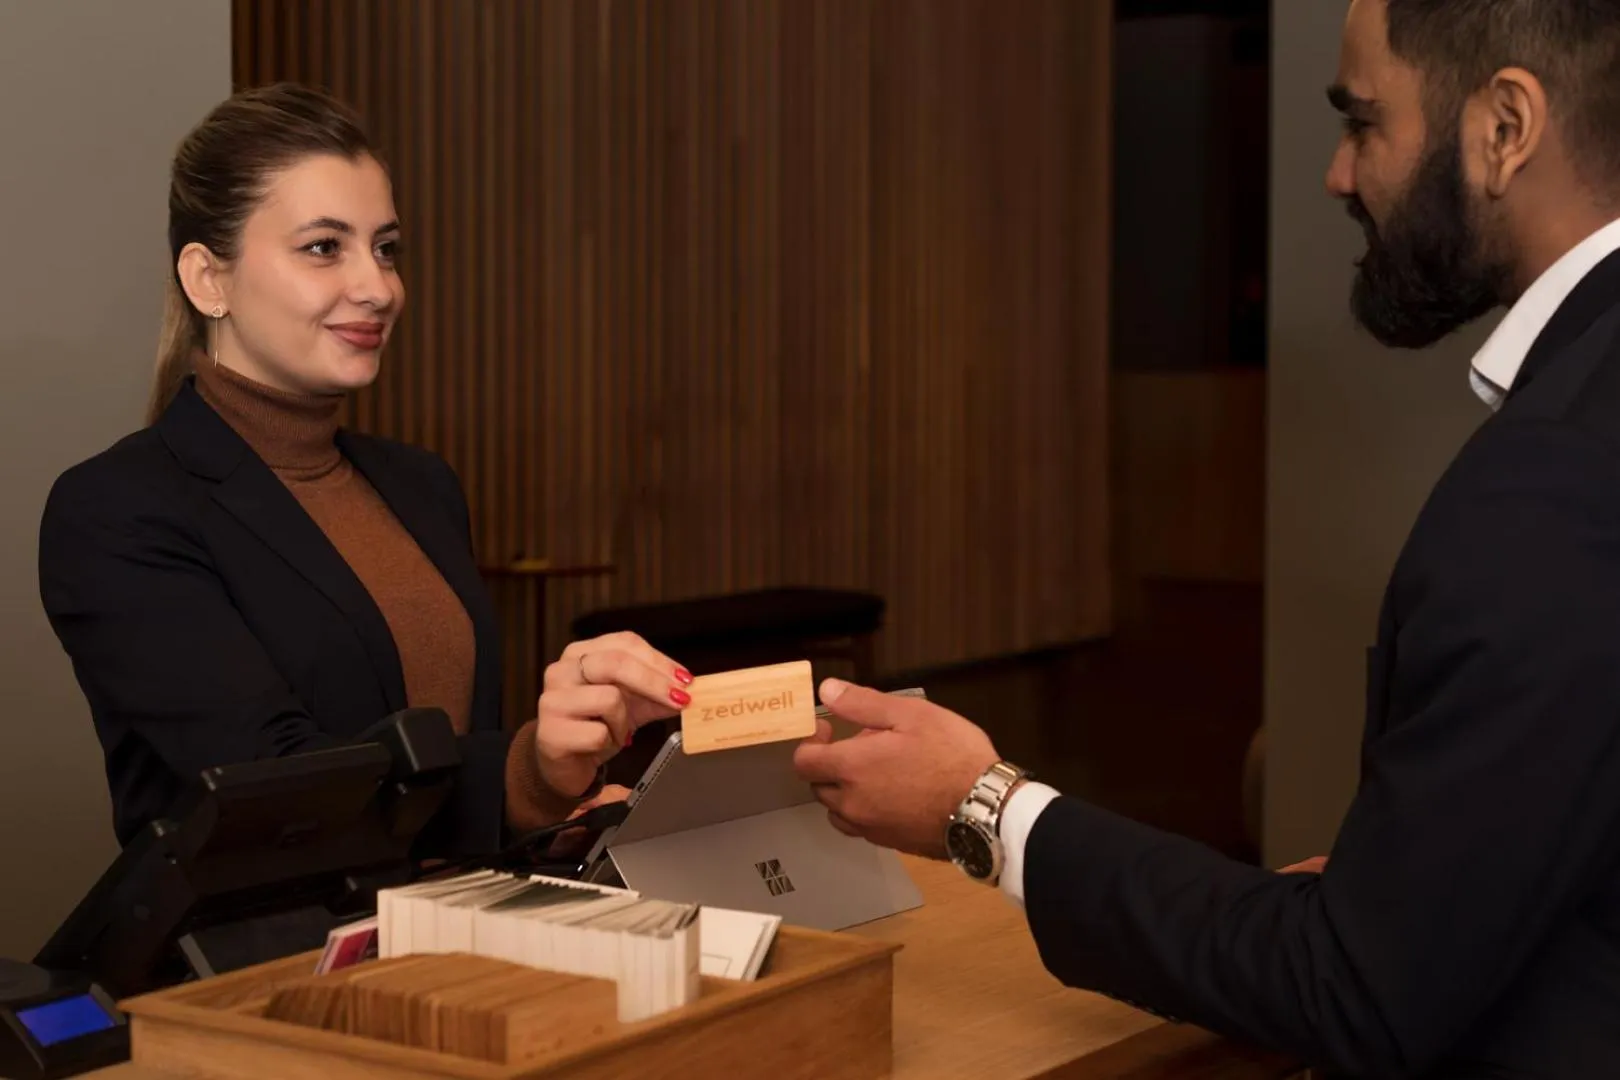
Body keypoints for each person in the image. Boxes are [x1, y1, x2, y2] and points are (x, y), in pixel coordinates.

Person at [794, 1, 1620, 1075]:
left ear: (1506, 126)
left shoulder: (1556, 475)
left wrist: (984, 808)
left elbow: (1359, 992)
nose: (1335, 173)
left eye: (1364, 123)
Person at [37, 83, 688, 860]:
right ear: (209, 278)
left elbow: (452, 758)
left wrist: (558, 808)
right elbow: (284, 787)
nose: (378, 287)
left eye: (385, 248)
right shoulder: (116, 509)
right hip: (255, 973)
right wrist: (527, 774)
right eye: (323, 247)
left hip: (460, 946)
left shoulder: (421, 485)